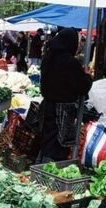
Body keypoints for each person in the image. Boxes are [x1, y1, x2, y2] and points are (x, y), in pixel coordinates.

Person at [38, 28, 92, 163]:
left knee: (47, 141)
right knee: (57, 146)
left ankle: (40, 168)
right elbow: (82, 87)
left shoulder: (48, 58)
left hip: (47, 107)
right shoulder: (70, 62)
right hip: (62, 111)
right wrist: (87, 76)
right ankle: (48, 173)